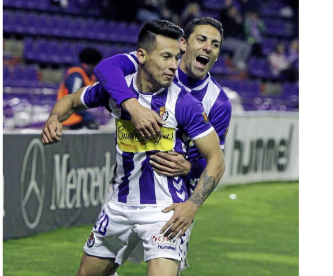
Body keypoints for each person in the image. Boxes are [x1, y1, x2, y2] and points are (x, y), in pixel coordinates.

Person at [41, 20, 225, 276]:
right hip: (117, 206)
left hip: (164, 211)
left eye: (177, 57)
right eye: (166, 57)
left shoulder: (184, 103)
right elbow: (71, 101)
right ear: (142, 56)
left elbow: (216, 158)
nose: (174, 65)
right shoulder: (117, 91)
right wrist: (53, 118)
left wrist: (192, 205)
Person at [93, 17, 231, 194]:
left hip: (173, 194)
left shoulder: (219, 102)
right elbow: (105, 68)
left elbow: (214, 159)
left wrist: (190, 168)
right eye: (201, 39)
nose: (208, 48)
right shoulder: (153, 63)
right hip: (126, 191)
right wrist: (133, 106)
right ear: (183, 43)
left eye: (215, 44)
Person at [57, 47, 102, 129]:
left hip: (79, 117)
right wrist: (88, 117)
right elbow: (73, 101)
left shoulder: (89, 75)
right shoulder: (76, 75)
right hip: (70, 119)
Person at [220, 0, 251, 70]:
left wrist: (240, 23)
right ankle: (235, 63)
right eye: (233, 10)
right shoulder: (225, 17)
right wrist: (227, 5)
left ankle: (241, 61)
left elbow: (241, 32)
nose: (234, 11)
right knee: (240, 46)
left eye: (235, 10)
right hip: (226, 40)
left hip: (234, 40)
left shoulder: (235, 20)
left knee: (248, 47)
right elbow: (222, 13)